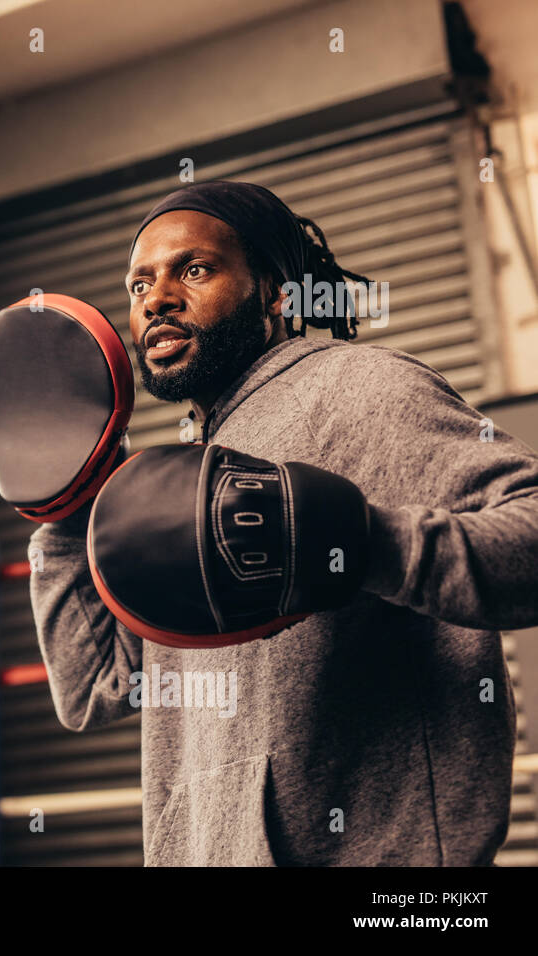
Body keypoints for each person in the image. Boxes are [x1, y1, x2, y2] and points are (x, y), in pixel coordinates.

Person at [27, 181, 538, 865]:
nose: (157, 298)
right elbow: (93, 689)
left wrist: (363, 541)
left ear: (275, 292)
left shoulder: (359, 388)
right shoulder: (184, 479)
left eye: (195, 269)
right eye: (138, 284)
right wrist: (66, 505)